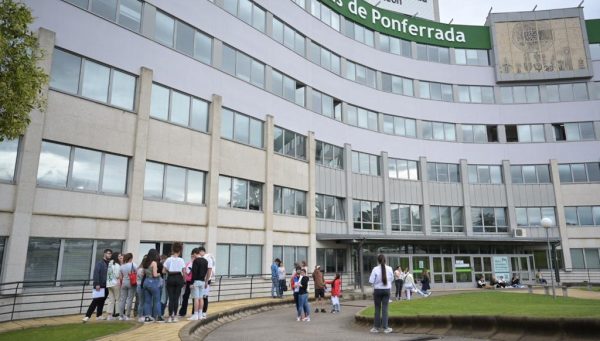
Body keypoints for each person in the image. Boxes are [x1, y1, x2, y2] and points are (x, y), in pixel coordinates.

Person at [82, 249, 111, 322]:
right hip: (100, 285)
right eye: (108, 253)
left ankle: (99, 315)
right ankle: (87, 316)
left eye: (110, 254)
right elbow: (96, 273)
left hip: (107, 285)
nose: (109, 255)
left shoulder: (110, 263)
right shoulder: (99, 263)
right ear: (104, 254)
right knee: (95, 301)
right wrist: (97, 284)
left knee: (102, 301)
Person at [369, 254, 393, 334]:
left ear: (378, 261)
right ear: (385, 260)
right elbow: (392, 279)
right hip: (387, 290)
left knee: (377, 308)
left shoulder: (375, 269)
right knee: (385, 308)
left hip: (378, 290)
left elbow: (371, 281)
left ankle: (376, 327)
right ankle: (386, 327)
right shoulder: (389, 268)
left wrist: (376, 283)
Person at [163, 242, 185, 323]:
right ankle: (175, 316)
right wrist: (184, 281)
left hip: (171, 277)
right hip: (179, 278)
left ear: (172, 250)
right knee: (176, 298)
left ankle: (169, 316)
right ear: (180, 251)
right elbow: (184, 271)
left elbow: (163, 271)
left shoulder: (168, 259)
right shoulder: (181, 260)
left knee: (170, 298)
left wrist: (170, 271)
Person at [189, 247, 211, 320]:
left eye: (193, 255)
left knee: (196, 298)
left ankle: (195, 315)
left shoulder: (196, 261)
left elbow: (194, 273)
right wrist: (206, 281)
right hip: (202, 281)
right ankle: (200, 314)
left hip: (196, 281)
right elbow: (207, 271)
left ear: (195, 253)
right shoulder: (205, 261)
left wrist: (191, 283)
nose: (193, 256)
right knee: (201, 298)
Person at [143, 249, 164, 323]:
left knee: (147, 301)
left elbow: (143, 273)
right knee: (157, 300)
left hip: (146, 282)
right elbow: (155, 275)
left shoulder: (145, 262)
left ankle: (147, 317)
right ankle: (158, 316)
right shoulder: (154, 263)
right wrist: (159, 274)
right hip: (153, 282)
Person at [179, 248, 198, 317]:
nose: (192, 257)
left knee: (194, 297)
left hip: (195, 281)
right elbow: (187, 272)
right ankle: (182, 312)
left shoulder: (197, 263)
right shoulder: (188, 264)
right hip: (188, 282)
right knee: (185, 296)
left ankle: (194, 312)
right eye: (192, 256)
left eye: (194, 256)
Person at [118, 253, 136, 320]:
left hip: (123, 282)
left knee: (122, 299)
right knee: (129, 299)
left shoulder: (122, 266)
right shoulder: (133, 264)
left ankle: (121, 315)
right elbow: (137, 272)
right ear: (131, 258)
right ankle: (127, 315)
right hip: (131, 283)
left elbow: (120, 277)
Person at [106, 252, 122, 320]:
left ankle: (109, 315)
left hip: (109, 284)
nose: (120, 257)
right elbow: (117, 275)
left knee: (111, 300)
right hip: (115, 283)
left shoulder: (110, 263)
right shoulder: (117, 265)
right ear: (116, 257)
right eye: (119, 256)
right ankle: (118, 314)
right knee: (118, 299)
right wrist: (120, 277)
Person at [201, 252, 215, 319]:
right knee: (202, 297)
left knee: (205, 296)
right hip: (203, 280)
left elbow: (210, 270)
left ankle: (204, 312)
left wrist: (206, 281)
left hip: (206, 280)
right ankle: (201, 312)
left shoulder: (208, 259)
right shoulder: (204, 258)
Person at [135, 255, 147, 322]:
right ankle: (141, 316)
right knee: (142, 302)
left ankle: (141, 315)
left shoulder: (139, 268)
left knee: (141, 302)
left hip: (139, 286)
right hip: (141, 286)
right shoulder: (142, 270)